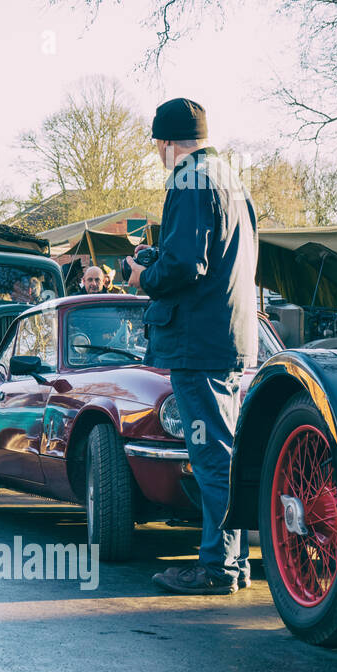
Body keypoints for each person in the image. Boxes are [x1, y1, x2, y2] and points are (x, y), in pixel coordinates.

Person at [125, 98, 258, 595]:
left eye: (157, 145)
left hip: (198, 339)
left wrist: (144, 274)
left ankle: (216, 568)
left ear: (164, 142)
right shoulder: (229, 179)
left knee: (209, 455)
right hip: (229, 334)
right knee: (223, 451)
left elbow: (184, 265)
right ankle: (233, 562)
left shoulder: (187, 179)